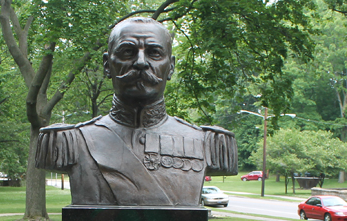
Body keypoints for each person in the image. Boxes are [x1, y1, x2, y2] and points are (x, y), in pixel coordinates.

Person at [35, 17, 237, 206]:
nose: (141, 62)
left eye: (154, 53)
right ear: (107, 65)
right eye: (127, 52)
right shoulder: (67, 141)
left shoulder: (209, 144)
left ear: (171, 67)